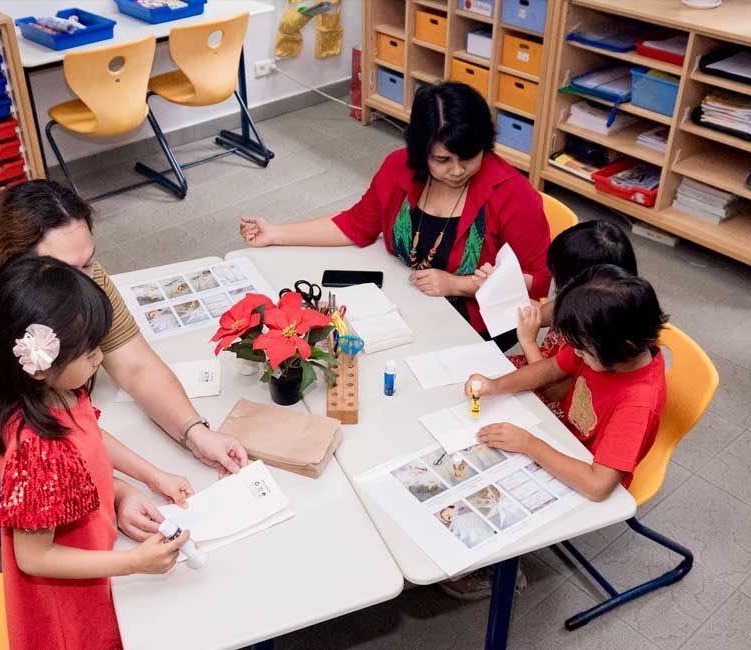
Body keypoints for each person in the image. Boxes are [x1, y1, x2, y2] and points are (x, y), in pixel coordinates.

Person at [0, 180, 248, 546]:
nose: (90, 279)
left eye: (90, 261)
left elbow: (134, 366)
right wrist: (116, 495)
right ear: (19, 274)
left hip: (46, 426)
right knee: (93, 537)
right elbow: (33, 462)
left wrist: (195, 433)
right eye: (73, 268)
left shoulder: (71, 277)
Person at [0, 256, 188, 650]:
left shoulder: (62, 392)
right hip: (72, 598)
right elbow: (35, 558)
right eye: (88, 352)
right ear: (38, 365)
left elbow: (89, 435)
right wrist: (133, 563)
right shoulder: (34, 451)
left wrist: (151, 476)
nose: (100, 358)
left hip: (100, 557)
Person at [239, 82, 550, 349]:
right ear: (421, 150)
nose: (457, 170)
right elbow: (356, 225)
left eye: (468, 157)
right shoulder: (399, 167)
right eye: (442, 159)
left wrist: (458, 285)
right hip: (407, 301)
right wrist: (277, 233)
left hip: (473, 323)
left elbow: (537, 282)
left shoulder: (513, 193)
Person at [472, 265, 668, 501]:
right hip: (560, 438)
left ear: (620, 347)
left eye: (583, 351)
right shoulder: (602, 345)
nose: (575, 353)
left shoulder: (637, 404)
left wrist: (528, 444)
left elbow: (598, 486)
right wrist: (495, 386)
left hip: (583, 473)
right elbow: (552, 367)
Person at [510, 220, 639, 414]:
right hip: (538, 369)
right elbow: (539, 313)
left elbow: (553, 392)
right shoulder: (584, 301)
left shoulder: (594, 340)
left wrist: (528, 342)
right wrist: (501, 287)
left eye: (560, 281)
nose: (557, 288)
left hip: (553, 406)